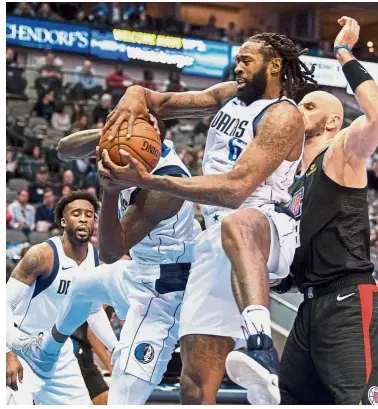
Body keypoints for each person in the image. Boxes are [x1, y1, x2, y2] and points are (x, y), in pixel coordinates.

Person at [96, 31, 316, 404]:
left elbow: (236, 189)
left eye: (247, 60)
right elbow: (158, 101)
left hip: (266, 226)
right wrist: (134, 94)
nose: (238, 66)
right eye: (237, 60)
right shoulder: (228, 95)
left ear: (274, 66)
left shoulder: (283, 115)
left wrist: (149, 180)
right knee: (194, 384)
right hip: (213, 241)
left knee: (237, 220)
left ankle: (261, 345)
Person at [13, 123, 200, 405]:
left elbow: (111, 251)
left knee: (121, 397)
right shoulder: (129, 143)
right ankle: (47, 352)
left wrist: (110, 189)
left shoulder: (165, 188)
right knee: (81, 286)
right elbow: (65, 149)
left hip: (165, 293)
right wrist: (109, 135)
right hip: (139, 271)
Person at [282, 17, 378, 404]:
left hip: (347, 300)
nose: (298, 112)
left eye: (308, 106)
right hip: (308, 306)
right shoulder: (291, 178)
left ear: (332, 121)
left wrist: (343, 52)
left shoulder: (341, 150)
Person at [6, 191, 117, 404]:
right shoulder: (42, 255)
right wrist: (7, 353)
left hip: (59, 353)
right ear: (64, 221)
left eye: (89, 214)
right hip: (22, 346)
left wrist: (115, 347)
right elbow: (5, 303)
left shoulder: (95, 260)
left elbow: (93, 311)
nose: (84, 218)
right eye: (77, 213)